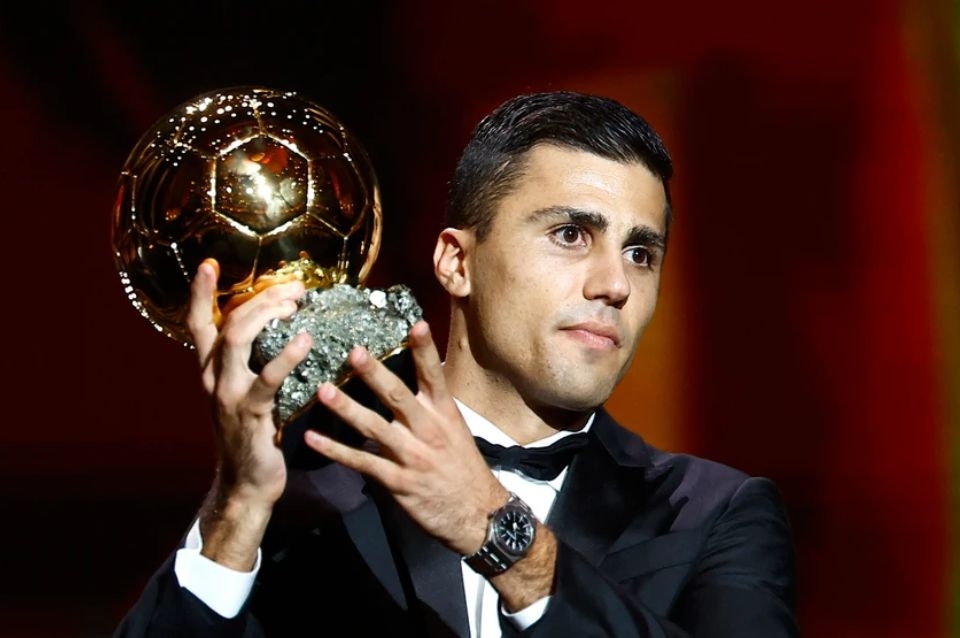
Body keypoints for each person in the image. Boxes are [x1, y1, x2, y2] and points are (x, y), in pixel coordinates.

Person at [114, 90, 798, 637]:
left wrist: (499, 532)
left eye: (641, 253)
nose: (615, 284)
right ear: (456, 261)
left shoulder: (713, 515)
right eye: (570, 234)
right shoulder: (308, 494)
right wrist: (236, 510)